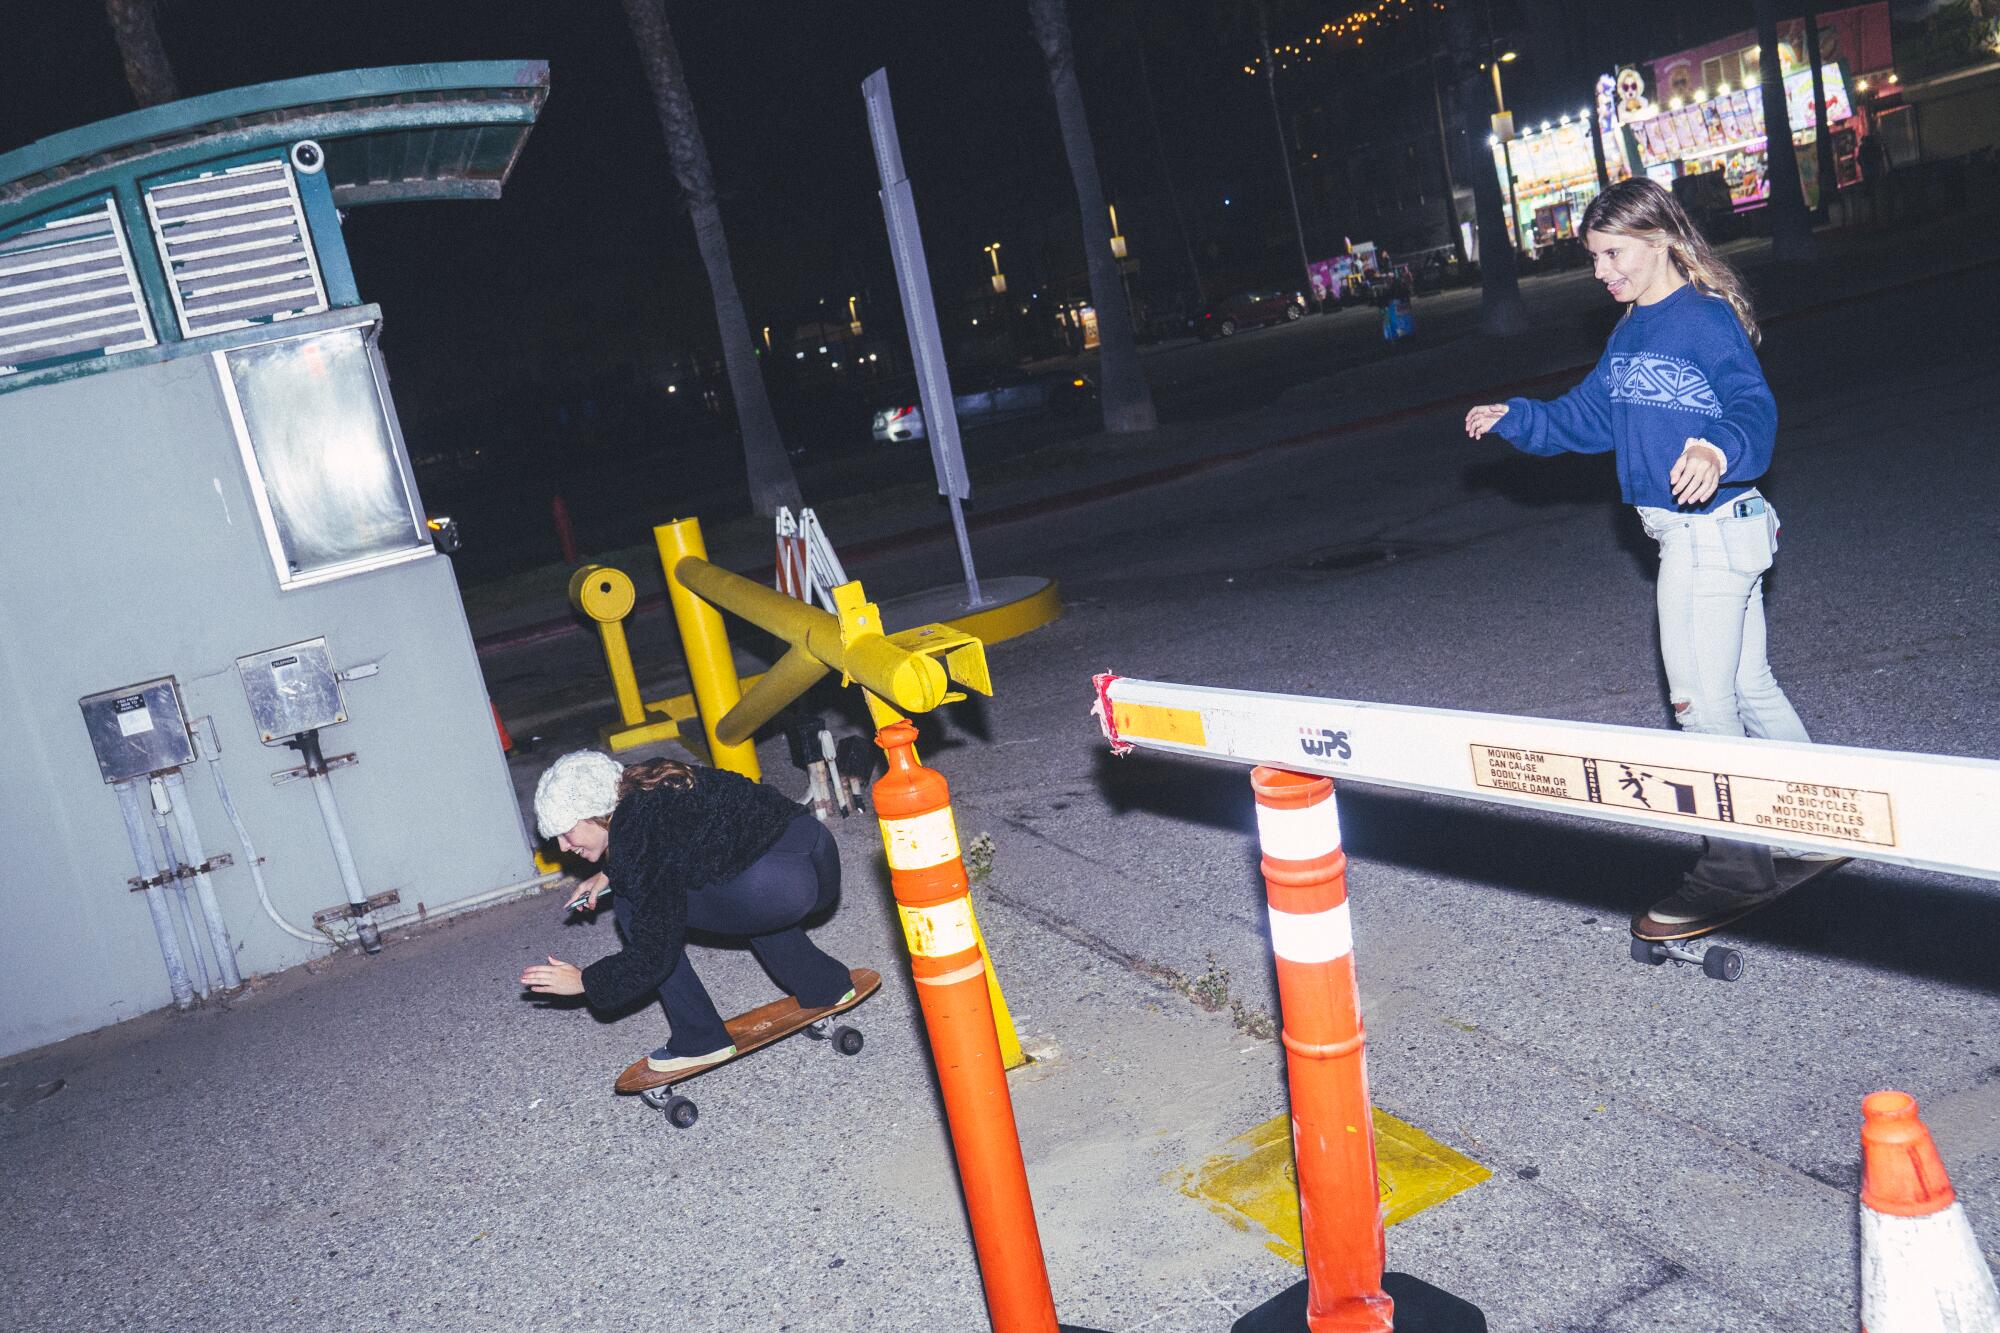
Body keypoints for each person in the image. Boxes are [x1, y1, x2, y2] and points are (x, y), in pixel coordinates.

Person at [1463, 177, 1838, 939]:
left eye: (1611, 253)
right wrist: (1521, 417)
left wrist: (1716, 445)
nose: (1602, 272)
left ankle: (1736, 864)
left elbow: (1751, 407)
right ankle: (1821, 826)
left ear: (1658, 236)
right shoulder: (1631, 328)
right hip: (1712, 532)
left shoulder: (1701, 320)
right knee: (1745, 685)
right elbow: (1591, 413)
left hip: (1707, 532)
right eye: (1595, 259)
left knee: (1699, 706)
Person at [519, 750, 855, 1074]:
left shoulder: (639, 835)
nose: (562, 847)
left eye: (566, 832)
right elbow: (670, 842)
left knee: (631, 904)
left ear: (594, 812)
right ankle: (823, 983)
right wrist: (612, 871)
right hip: (816, 855)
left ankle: (700, 1037)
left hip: (777, 889)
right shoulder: (644, 780)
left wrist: (584, 982)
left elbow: (655, 953)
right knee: (724, 872)